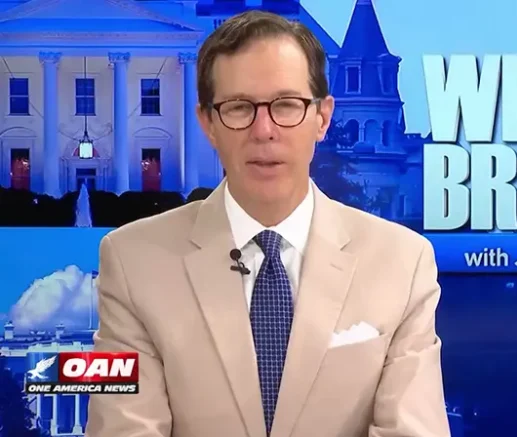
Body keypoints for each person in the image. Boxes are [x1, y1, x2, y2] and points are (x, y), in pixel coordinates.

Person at [85, 10, 450, 437]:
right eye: (239, 107)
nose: (264, 130)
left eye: (286, 105)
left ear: (323, 118)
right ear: (208, 123)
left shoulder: (402, 263)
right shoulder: (132, 262)